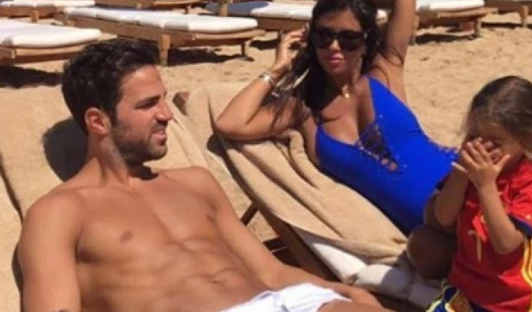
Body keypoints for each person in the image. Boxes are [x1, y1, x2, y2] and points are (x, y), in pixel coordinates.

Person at [215, 0, 532, 294]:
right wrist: (276, 69)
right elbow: (230, 124)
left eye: (348, 38)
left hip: (458, 175)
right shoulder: (302, 110)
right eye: (324, 35)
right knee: (429, 256)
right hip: (423, 221)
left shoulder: (385, 69)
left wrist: (345, 3)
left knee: (485, 221)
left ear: (365, 40)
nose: (334, 47)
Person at [18, 39, 390, 312]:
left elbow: (270, 271)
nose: (167, 114)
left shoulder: (195, 182)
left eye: (164, 99)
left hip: (291, 302)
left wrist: (342, 292)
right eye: (148, 104)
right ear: (98, 121)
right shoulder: (60, 212)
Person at [427, 76, 532, 312]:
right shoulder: (468, 170)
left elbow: (506, 243)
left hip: (512, 299)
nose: (481, 148)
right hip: (464, 288)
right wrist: (461, 175)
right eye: (473, 137)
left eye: (495, 142)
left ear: (528, 139)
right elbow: (443, 217)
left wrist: (486, 186)